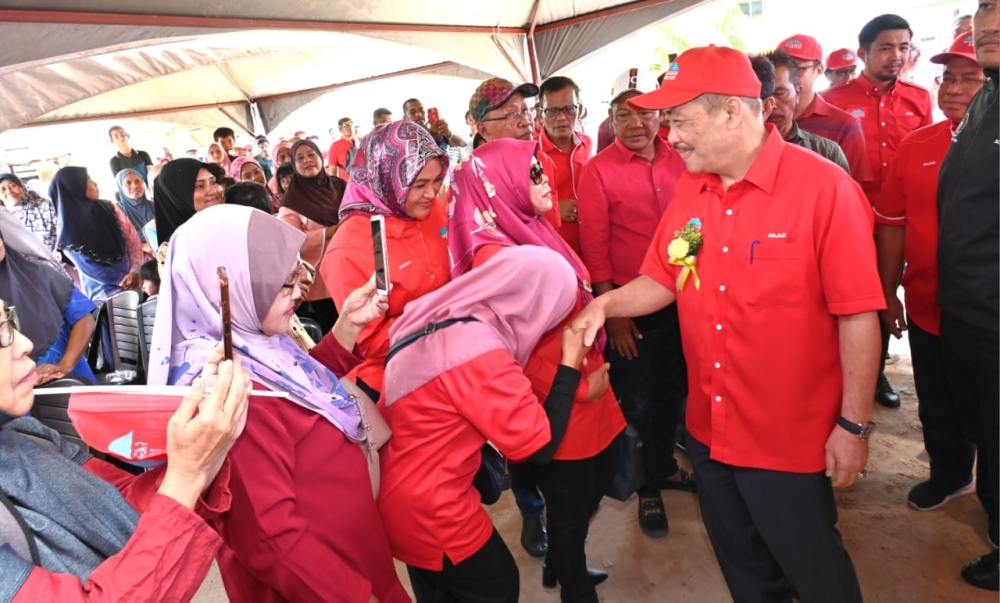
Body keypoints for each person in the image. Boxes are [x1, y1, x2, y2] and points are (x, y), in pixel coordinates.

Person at [574, 44, 883, 603]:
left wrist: (854, 425)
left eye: (681, 122)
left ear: (732, 113)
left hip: (787, 437)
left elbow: (858, 314)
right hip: (709, 431)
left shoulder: (823, 190)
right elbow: (669, 275)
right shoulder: (693, 190)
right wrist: (604, 306)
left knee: (814, 573)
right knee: (746, 572)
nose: (672, 137)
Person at [149, 204, 409, 602]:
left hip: (347, 553)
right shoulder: (227, 391)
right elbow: (270, 539)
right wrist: (355, 596)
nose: (301, 292)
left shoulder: (253, 340)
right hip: (318, 583)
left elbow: (298, 389)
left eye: (298, 275)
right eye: (284, 283)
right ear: (230, 287)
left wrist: (347, 326)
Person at [449, 139, 625, 601]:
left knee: (592, 493)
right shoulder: (499, 258)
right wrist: (580, 386)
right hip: (562, 405)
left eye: (540, 169)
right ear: (498, 186)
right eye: (530, 174)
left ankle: (564, 565)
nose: (545, 178)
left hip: (588, 390)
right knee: (569, 512)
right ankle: (573, 587)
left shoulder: (528, 230)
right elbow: (507, 356)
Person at [1, 294, 250, 601]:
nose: (24, 343)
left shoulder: (27, 436)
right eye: (0, 334)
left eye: (9, 321)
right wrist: (187, 474)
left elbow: (123, 505)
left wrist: (204, 447)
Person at [378, 245, 589, 603]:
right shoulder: (479, 351)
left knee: (442, 590)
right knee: (498, 585)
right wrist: (570, 366)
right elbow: (538, 448)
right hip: (434, 510)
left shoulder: (449, 316)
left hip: (397, 497)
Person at [874, 31, 994, 523]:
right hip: (927, 304)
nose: (954, 88)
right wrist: (887, 293)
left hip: (988, 315)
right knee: (937, 401)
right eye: (948, 77)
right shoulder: (917, 144)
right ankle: (949, 473)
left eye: (971, 78)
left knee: (989, 413)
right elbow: (893, 225)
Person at [576, 68, 691, 540]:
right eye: (624, 115)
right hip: (632, 307)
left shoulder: (681, 157)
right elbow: (595, 248)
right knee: (637, 401)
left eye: (644, 114)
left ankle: (663, 466)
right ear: (612, 120)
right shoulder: (598, 170)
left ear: (661, 115)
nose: (635, 124)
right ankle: (645, 486)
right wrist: (615, 314)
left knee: (674, 393)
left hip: (686, 299)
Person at [822, 14, 934, 410]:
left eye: (903, 47)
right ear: (863, 52)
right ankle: (836, 372)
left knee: (885, 296)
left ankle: (874, 372)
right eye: (886, 48)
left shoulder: (919, 99)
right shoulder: (833, 101)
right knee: (845, 299)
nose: (896, 56)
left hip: (898, 226)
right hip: (849, 222)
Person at [936, 2, 1000, 590]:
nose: (988, 33)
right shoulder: (986, 98)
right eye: (982, 24)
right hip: (968, 310)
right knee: (986, 433)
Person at [324, 121, 450, 401]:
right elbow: (371, 341)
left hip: (451, 357)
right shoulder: (349, 247)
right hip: (394, 383)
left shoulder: (431, 208)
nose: (431, 194)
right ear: (386, 179)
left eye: (437, 180)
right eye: (419, 185)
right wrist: (447, 321)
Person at [0, 227, 97, 384]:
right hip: (12, 395)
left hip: (68, 381)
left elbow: (83, 318)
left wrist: (65, 365)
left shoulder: (40, 276)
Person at [470, 79, 562, 241]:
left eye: (526, 111)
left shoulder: (543, 162)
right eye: (512, 115)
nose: (526, 121)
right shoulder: (473, 182)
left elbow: (551, 227)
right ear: (484, 130)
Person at [776, 35, 872, 188]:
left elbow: (854, 188)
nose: (787, 74)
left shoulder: (844, 125)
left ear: (819, 70)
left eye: (798, 68)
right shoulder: (760, 118)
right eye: (781, 67)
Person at [49, 167, 144, 303]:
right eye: (88, 180)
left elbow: (132, 239)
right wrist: (123, 280)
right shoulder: (67, 229)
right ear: (74, 187)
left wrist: (135, 270)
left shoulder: (109, 208)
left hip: (134, 283)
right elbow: (90, 267)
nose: (95, 183)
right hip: (103, 296)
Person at [279, 139, 345, 335]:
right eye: (300, 158)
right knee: (334, 330)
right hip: (320, 283)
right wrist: (328, 232)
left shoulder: (340, 186)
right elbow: (290, 240)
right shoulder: (291, 201)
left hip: (349, 267)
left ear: (319, 157)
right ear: (294, 165)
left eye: (311, 155)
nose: (307, 160)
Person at [751, 52, 851, 172]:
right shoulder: (735, 151)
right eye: (763, 95)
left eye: (780, 94)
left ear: (797, 94)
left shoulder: (827, 153)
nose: (771, 105)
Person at [537, 75, 594, 255]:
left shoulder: (588, 144)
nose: (562, 118)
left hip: (590, 246)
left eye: (569, 109)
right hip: (552, 252)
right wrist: (553, 209)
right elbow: (514, 209)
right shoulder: (529, 154)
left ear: (580, 110)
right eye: (552, 111)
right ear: (540, 113)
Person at [150, 158, 224, 255]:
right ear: (177, 196)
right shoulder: (176, 252)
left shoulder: (229, 221)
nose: (213, 191)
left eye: (213, 182)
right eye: (200, 186)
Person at [0, 173, 57, 252]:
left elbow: (60, 233)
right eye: (3, 189)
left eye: (13, 186)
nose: (9, 192)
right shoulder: (3, 216)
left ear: (22, 187)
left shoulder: (45, 205)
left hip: (54, 257)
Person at [114, 168, 156, 246]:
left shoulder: (154, 205)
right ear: (121, 187)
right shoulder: (116, 211)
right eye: (128, 183)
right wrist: (142, 246)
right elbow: (118, 240)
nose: (134, 186)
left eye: (137, 181)